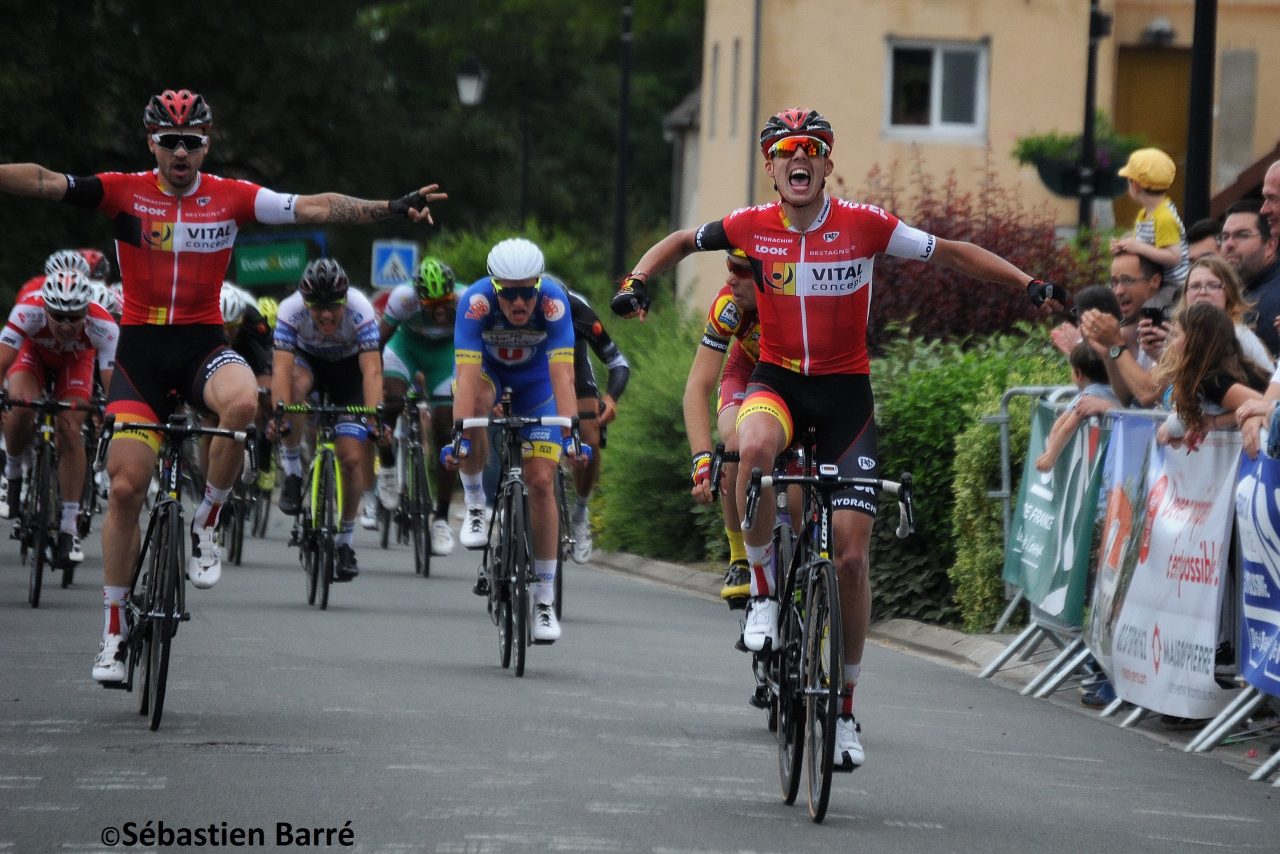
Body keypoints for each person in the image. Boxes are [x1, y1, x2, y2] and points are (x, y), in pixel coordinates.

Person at [610, 107, 1059, 769]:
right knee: (754, 448)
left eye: (813, 149)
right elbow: (679, 240)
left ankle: (844, 712)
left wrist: (1027, 283)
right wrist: (635, 282)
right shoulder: (748, 227)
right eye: (787, 150)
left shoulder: (864, 225)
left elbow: (951, 253)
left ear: (826, 162)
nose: (800, 157)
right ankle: (763, 593)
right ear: (771, 166)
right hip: (779, 384)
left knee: (851, 559)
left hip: (847, 397)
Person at [0, 87, 444, 683]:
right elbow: (47, 181)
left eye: (192, 142)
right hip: (140, 353)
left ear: (207, 145)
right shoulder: (122, 193)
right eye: (169, 142)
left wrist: (391, 206)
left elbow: (314, 207)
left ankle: (208, 519)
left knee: (242, 401)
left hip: (204, 344)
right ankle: (111, 631)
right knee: (128, 488)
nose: (180, 152)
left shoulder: (231, 198)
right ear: (151, 143)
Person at [442, 237, 588, 643]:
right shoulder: (475, 303)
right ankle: (474, 503)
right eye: (510, 294)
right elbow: (466, 379)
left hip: (537, 382)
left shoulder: (554, 302)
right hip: (489, 375)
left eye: (528, 292)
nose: (520, 303)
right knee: (474, 404)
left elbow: (564, 374)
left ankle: (543, 599)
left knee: (542, 481)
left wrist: (571, 431)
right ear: (495, 288)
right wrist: (460, 434)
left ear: (539, 286)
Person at [272, 259, 382, 581]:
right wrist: (280, 413)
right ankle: (292, 469)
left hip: (349, 373)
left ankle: (345, 541)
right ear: (304, 302)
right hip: (309, 366)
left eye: (333, 305)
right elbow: (279, 368)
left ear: (345, 299)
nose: (325, 314)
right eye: (316, 306)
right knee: (294, 390)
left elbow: (372, 370)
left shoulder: (361, 308)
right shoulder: (290, 309)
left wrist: (374, 418)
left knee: (350, 459)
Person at [0, 270, 118, 564]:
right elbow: (3, 360)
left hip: (76, 364)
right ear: (45, 308)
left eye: (74, 316)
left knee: (69, 429)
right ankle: (12, 474)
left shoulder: (103, 324)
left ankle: (68, 526)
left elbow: (111, 383)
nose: (66, 324)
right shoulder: (28, 310)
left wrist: (109, 412)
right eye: (58, 315)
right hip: (33, 357)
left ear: (86, 312)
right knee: (21, 408)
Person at [683, 249, 761, 605]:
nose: (730, 278)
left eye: (741, 270)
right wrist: (701, 460)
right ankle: (739, 557)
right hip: (745, 371)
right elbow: (698, 386)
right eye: (729, 267)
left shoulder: (795, 299)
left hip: (791, 377)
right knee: (734, 440)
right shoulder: (728, 305)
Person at [377, 256, 463, 556]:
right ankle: (387, 463)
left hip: (444, 358)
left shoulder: (466, 300)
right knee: (393, 401)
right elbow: (376, 343)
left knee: (444, 428)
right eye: (430, 304)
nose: (439, 309)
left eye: (444, 301)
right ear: (419, 299)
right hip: (406, 350)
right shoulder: (403, 299)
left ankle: (440, 518)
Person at [559, 277, 630, 564]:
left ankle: (580, 511)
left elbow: (618, 363)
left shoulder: (580, 311)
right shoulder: (519, 309)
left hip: (573, 370)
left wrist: (611, 399)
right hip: (532, 371)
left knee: (589, 437)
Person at [1154, 302, 1269, 450]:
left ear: (1194, 341)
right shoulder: (1210, 375)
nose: (1171, 342)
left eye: (1176, 335)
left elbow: (1263, 405)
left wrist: (1214, 422)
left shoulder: (1213, 380)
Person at [1136, 256, 1273, 373]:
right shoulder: (1175, 338)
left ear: (1229, 293)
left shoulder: (1237, 335)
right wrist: (1157, 355)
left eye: (1213, 286)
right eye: (1195, 286)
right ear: (1185, 296)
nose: (1202, 292)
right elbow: (1150, 394)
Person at [1079, 252, 1167, 407]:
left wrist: (1117, 344)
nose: (1118, 291)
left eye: (1127, 281)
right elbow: (1127, 400)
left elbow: (1148, 394)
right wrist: (1108, 352)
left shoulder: (1171, 328)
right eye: (1114, 283)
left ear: (1154, 281)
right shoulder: (1134, 329)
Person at [1109, 147, 1190, 289]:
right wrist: (1124, 246)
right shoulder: (1145, 214)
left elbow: (1174, 257)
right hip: (1156, 281)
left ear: (1135, 185)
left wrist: (1139, 247)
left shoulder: (1164, 218)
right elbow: (1143, 247)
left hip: (1173, 287)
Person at [1035, 342, 1118, 472]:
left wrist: (1051, 456)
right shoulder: (1118, 391)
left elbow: (1066, 426)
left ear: (1078, 373)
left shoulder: (1088, 395)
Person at [1219, 199, 1280, 356]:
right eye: (1225, 236)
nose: (1229, 244)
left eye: (1242, 235)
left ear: (1270, 246)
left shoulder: (1274, 297)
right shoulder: (1225, 293)